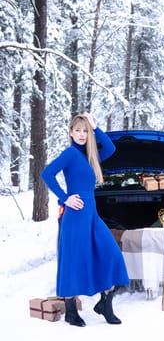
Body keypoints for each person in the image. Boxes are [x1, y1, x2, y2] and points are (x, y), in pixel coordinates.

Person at [41, 112, 129, 327]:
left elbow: (110, 148)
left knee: (111, 254)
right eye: (78, 130)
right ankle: (71, 312)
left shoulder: (90, 156)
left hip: (92, 214)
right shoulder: (70, 154)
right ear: (71, 133)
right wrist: (65, 199)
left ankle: (104, 304)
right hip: (76, 215)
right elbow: (47, 174)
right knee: (73, 260)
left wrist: (94, 125)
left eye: (85, 131)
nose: (81, 134)